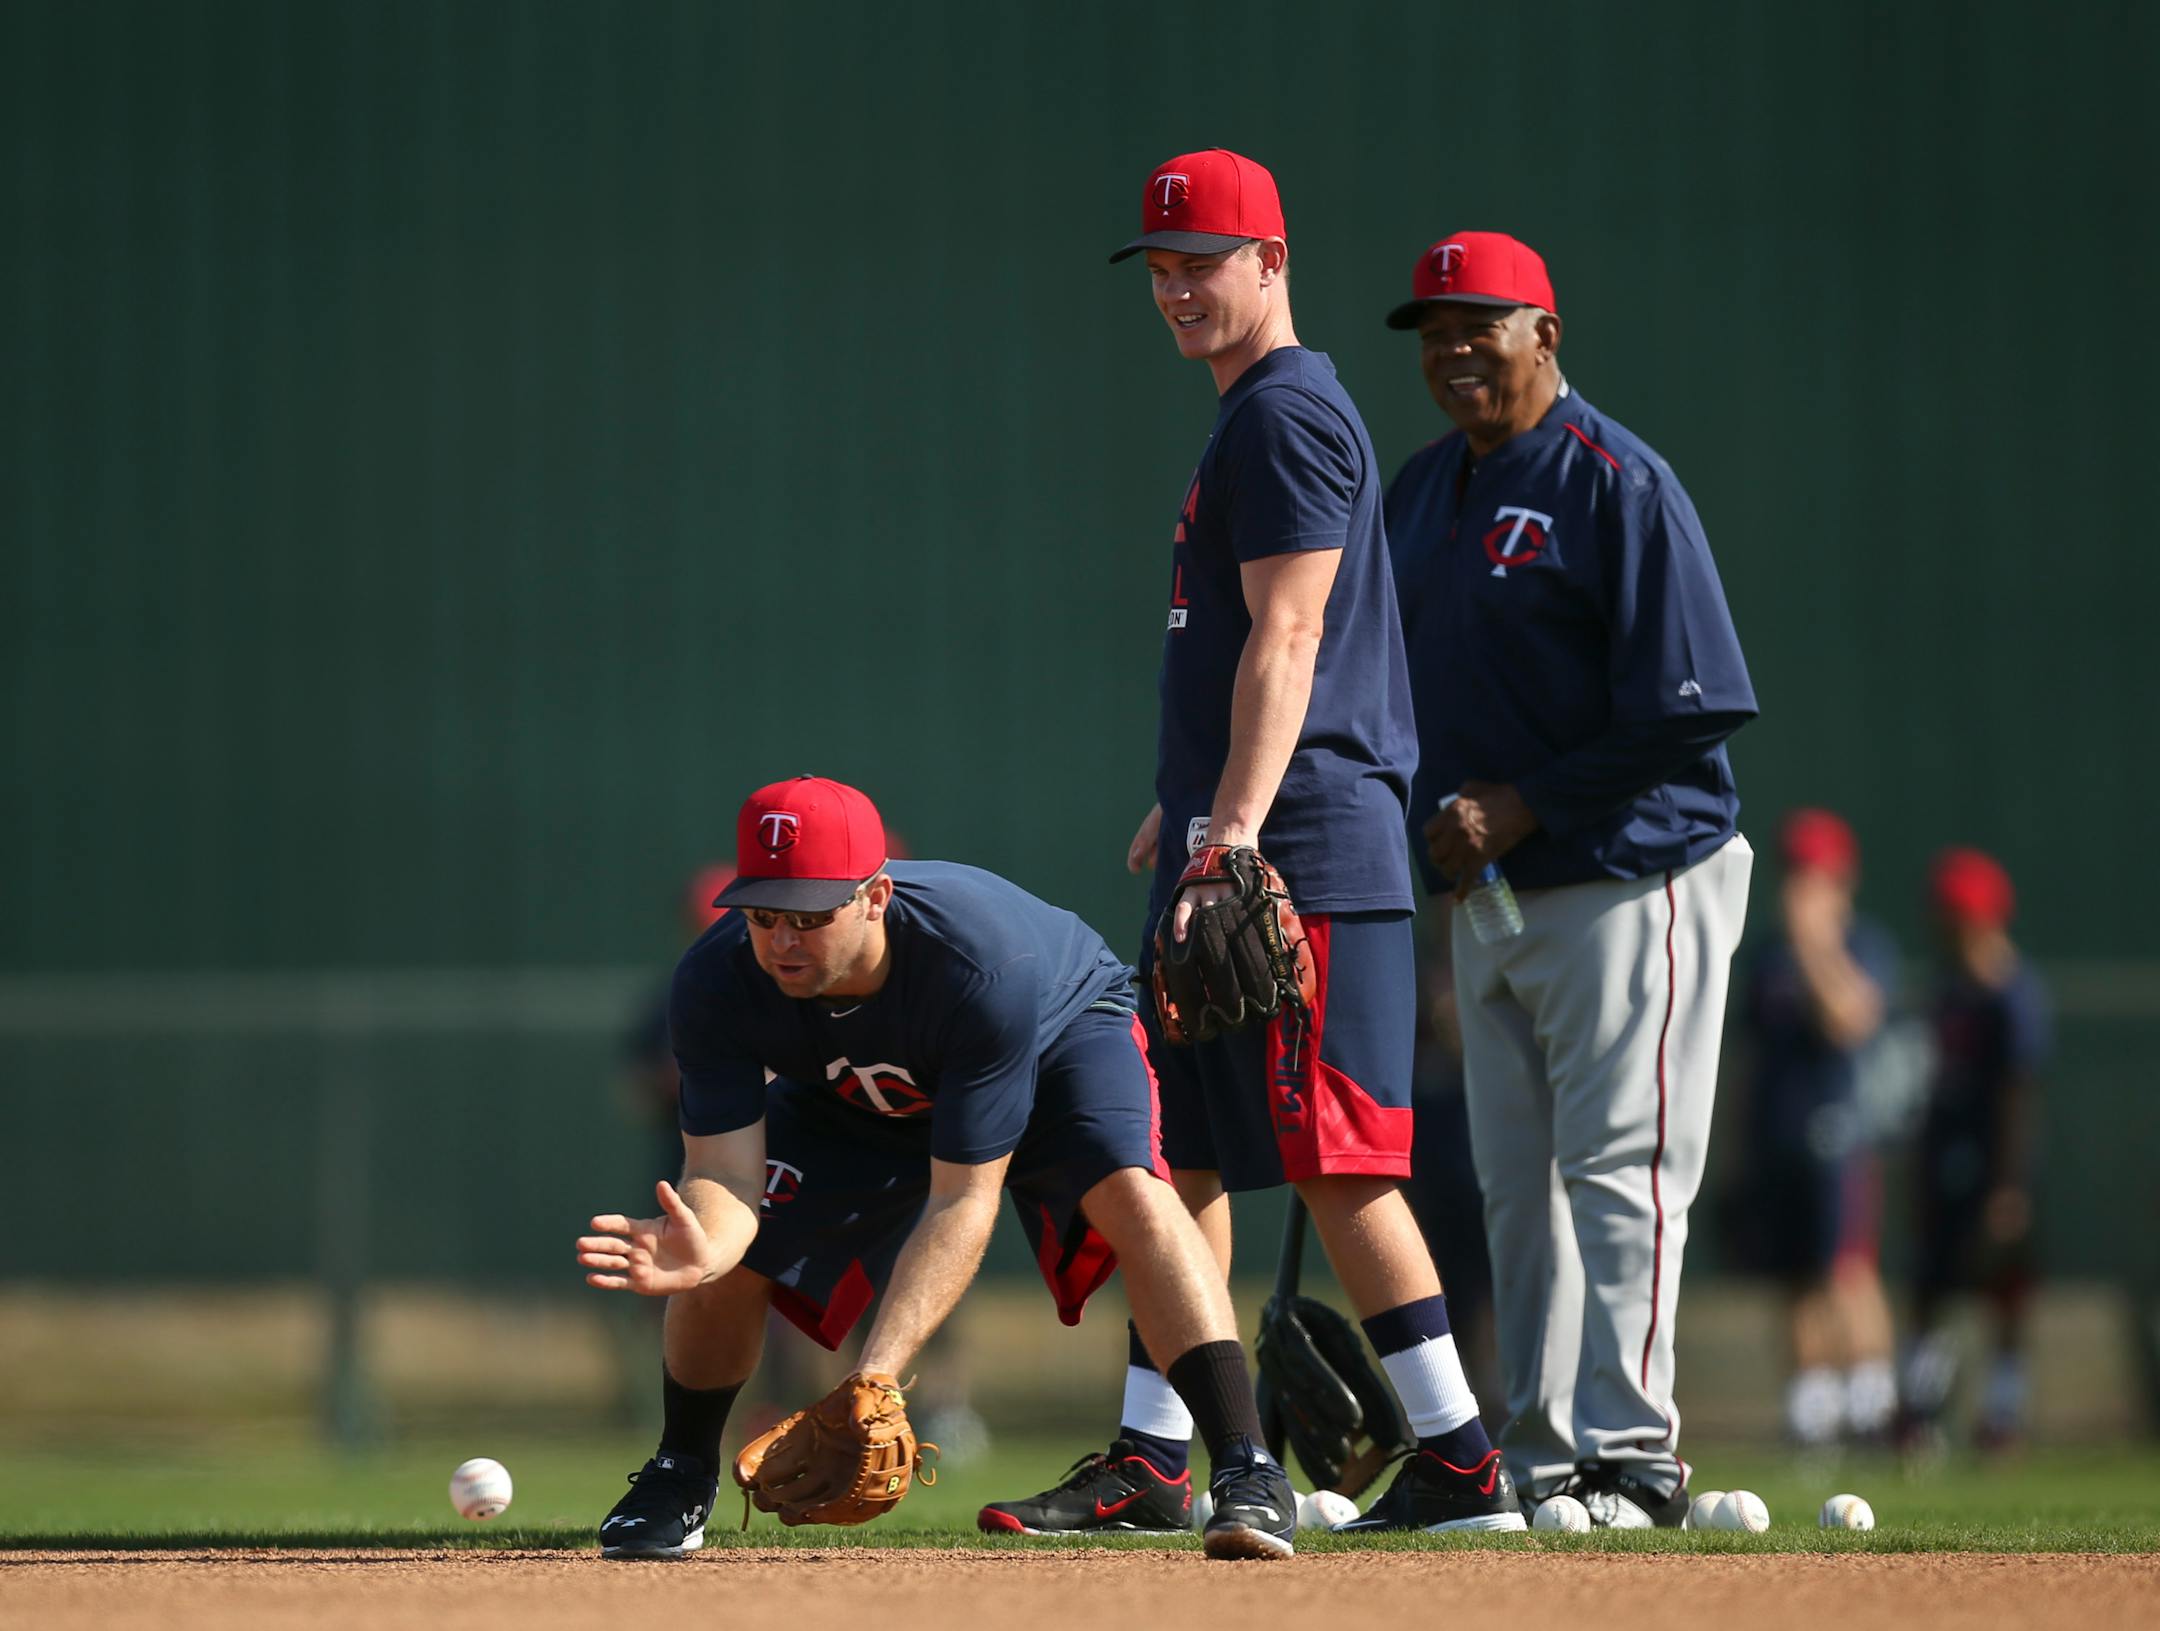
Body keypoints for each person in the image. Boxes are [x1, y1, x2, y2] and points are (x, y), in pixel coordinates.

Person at [983, 150, 1522, 1539]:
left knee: (1345, 1161)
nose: (1177, 285)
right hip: (1245, 830)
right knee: (1185, 1164)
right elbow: (1274, 648)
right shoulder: (1254, 417)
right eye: (1161, 265)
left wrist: (1233, 829)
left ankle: (1464, 1459)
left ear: (1271, 263)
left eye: (1204, 259)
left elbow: (1293, 635)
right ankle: (1159, 1453)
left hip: (1305, 849)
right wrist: (1197, 802)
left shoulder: (1286, 414)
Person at [578, 775, 1300, 1561]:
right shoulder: (716, 980)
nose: (783, 939)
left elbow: (962, 1200)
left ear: (876, 895)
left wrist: (875, 1377)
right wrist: (709, 1246)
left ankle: (1247, 1467)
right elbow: (724, 1175)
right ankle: (680, 1473)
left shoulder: (980, 968)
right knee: (720, 1256)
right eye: (763, 914)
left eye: (811, 915)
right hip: (856, 1091)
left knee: (1131, 1193)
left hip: (1060, 1035)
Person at [1383, 231, 1757, 1527]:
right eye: (1433, 331)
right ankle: (1539, 1458)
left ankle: (1633, 1454)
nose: (1451, 350)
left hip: (1628, 872)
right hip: (1490, 895)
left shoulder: (1617, 482)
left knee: (1620, 1167)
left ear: (1546, 331)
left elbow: (1693, 706)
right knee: (1513, 1186)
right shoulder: (1425, 489)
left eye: (1479, 325)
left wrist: (1524, 802)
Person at [1737, 809, 1900, 1446]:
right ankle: (1813, 1412)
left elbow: (1851, 1020)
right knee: (1793, 1275)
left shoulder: (1862, 945)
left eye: (1816, 874)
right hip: (1775, 1137)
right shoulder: (1766, 956)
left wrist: (1815, 945)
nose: (1801, 888)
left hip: (1841, 1136)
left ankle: (1876, 1408)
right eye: (1794, 873)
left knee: (1847, 1269)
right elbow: (1749, 1058)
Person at [1899, 847, 2050, 1453]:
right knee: (1931, 1290)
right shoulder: (1949, 990)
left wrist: (2009, 1187)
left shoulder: (2011, 995)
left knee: (2003, 1295)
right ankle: (1919, 1416)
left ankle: (2001, 1415)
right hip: (1944, 1160)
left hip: (1994, 1170)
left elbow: (2019, 1093)